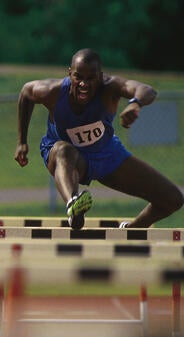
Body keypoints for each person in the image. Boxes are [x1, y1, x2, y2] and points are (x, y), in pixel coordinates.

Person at [15, 48, 182, 229]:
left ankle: (133, 229)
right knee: (64, 150)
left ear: (101, 77)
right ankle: (74, 205)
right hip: (67, 157)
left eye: (91, 78)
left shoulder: (110, 87)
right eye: (78, 77)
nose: (84, 84)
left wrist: (135, 103)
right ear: (70, 74)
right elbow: (26, 93)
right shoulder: (52, 92)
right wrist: (22, 142)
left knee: (172, 199)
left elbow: (146, 90)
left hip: (106, 155)